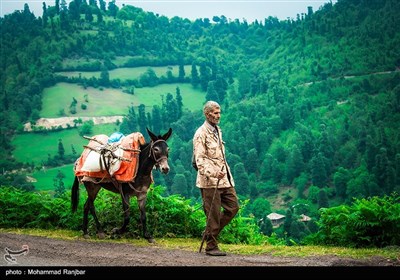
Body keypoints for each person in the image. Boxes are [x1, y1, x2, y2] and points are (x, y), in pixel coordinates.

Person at [193, 100, 240, 256]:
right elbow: (200, 160)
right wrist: (213, 173)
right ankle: (211, 246)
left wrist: (222, 173)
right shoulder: (201, 134)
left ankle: (208, 233)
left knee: (233, 208)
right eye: (215, 113)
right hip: (209, 182)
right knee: (212, 214)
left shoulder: (217, 130)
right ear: (207, 114)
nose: (218, 115)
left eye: (219, 112)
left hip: (224, 179)